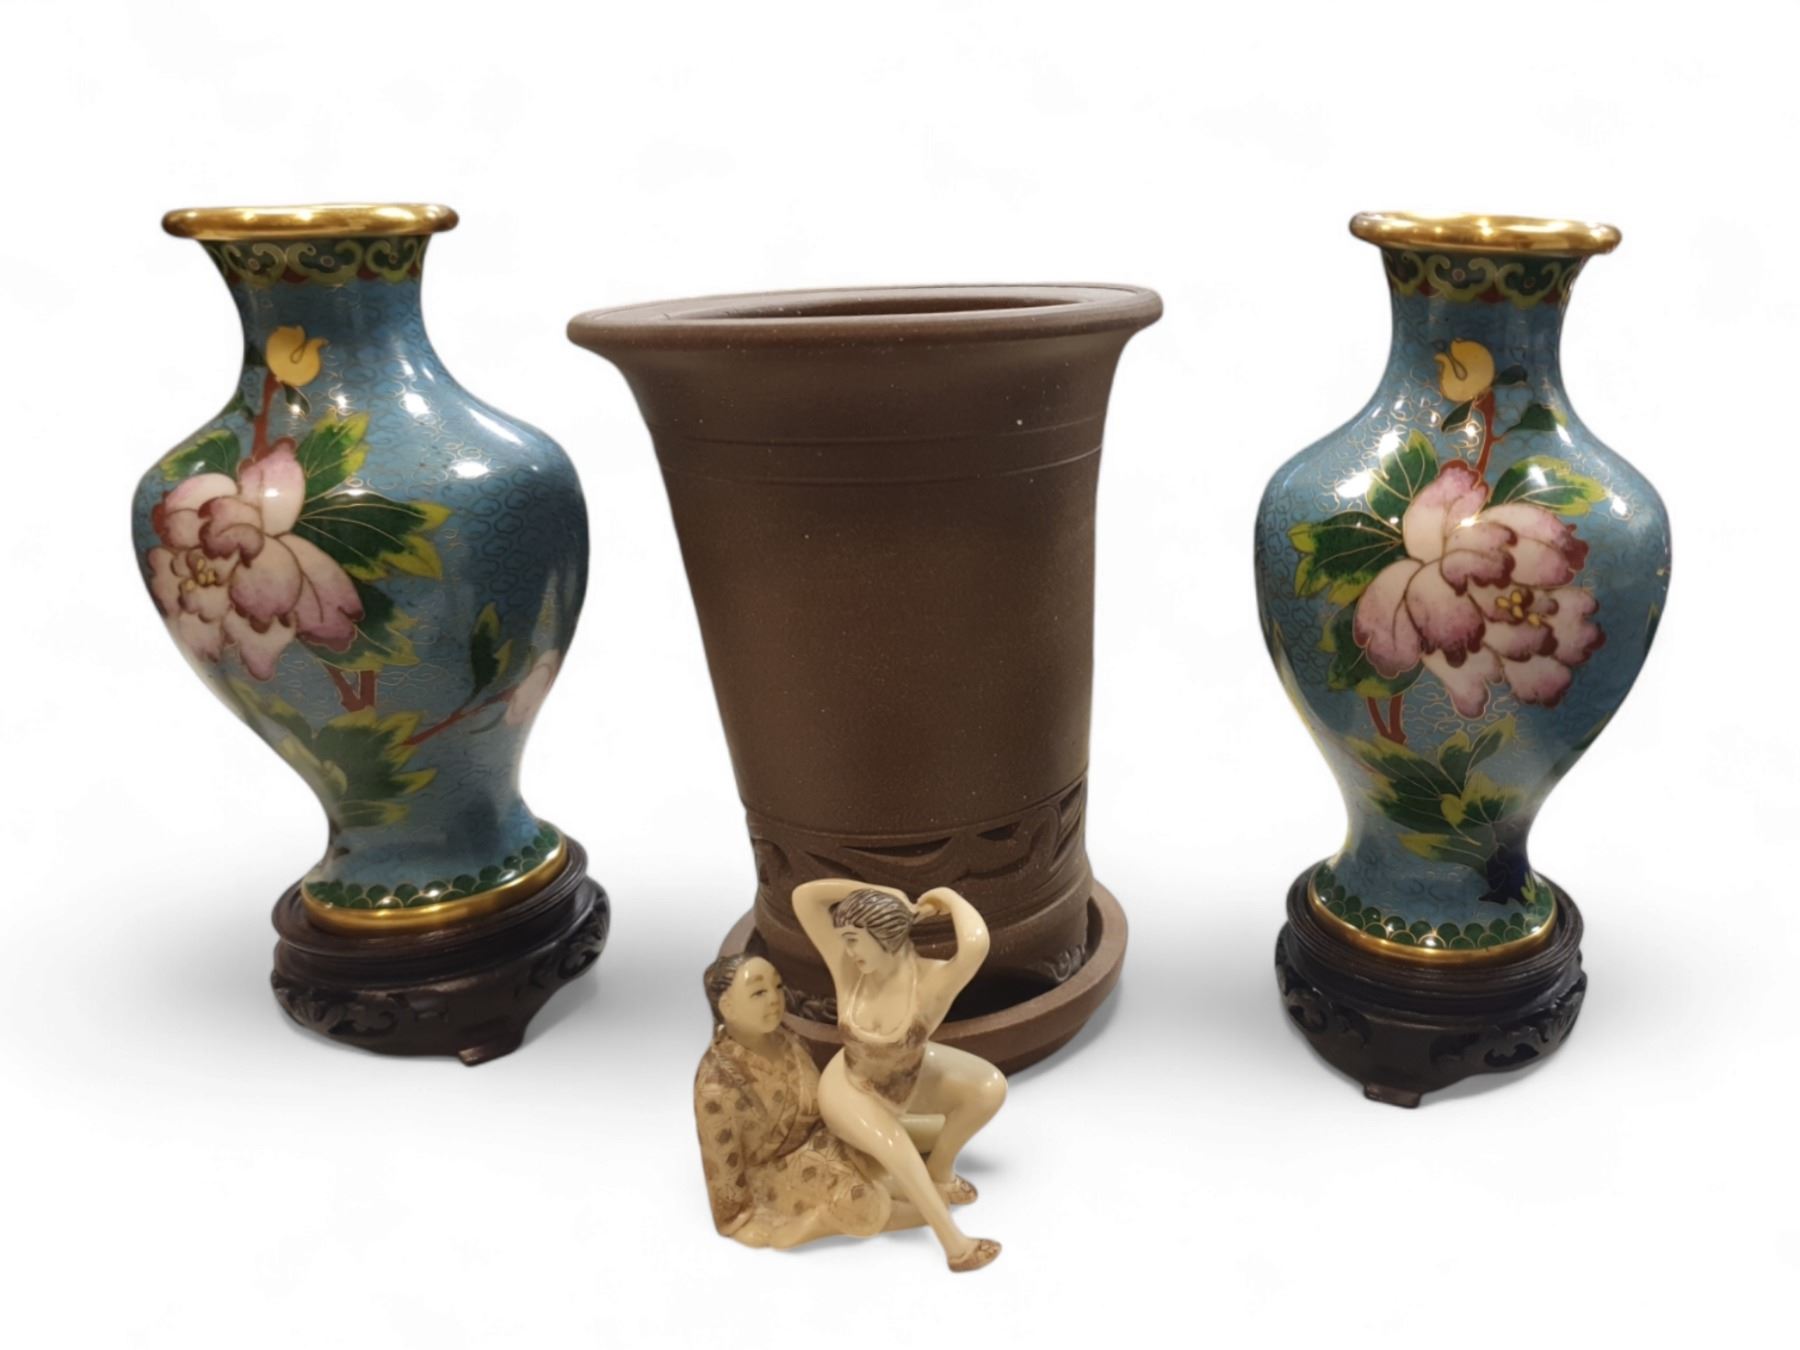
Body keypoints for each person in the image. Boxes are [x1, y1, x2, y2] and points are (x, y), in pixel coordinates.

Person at [793, 880, 1006, 1273]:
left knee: (989, 1088)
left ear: (885, 935)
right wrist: (886, 893)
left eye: (854, 940)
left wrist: (948, 897)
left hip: (907, 1077)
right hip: (851, 1086)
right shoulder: (847, 967)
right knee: (900, 1153)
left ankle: (941, 1168)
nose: (848, 950)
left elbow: (976, 944)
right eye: (845, 940)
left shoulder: (931, 982)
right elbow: (804, 897)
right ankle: (956, 1246)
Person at [694, 953, 895, 1248]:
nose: (774, 999)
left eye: (777, 987)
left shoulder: (787, 1039)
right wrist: (738, 1218)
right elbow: (722, 1162)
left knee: (890, 1165)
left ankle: (930, 1199)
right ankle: (817, 1223)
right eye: (758, 992)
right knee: (861, 1201)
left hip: (824, 1140)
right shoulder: (716, 1083)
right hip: (775, 1169)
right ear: (728, 1007)